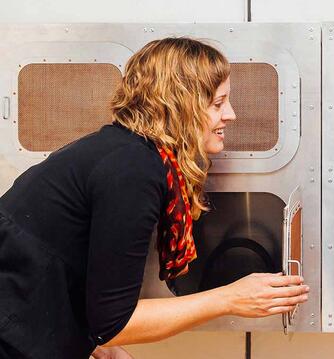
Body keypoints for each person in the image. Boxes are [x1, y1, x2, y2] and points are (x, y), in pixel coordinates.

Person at [0, 38, 309, 359]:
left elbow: (75, 277)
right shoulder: (133, 171)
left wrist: (103, 349)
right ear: (181, 105)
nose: (230, 114)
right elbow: (114, 321)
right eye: (218, 104)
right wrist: (231, 298)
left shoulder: (125, 153)